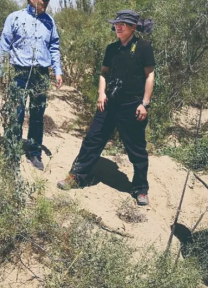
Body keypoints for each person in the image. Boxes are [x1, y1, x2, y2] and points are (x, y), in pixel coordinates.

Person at [57, 10, 155, 206]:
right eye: (117, 23)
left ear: (133, 27)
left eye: (123, 24)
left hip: (132, 105)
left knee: (136, 148)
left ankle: (140, 188)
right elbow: (104, 73)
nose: (118, 26)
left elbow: (150, 75)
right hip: (109, 103)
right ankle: (76, 176)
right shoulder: (112, 49)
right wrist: (101, 93)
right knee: (92, 139)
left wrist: (144, 103)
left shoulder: (143, 47)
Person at [0, 0, 63, 171]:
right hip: (19, 72)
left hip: (41, 74)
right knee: (16, 113)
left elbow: (54, 46)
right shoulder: (15, 18)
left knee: (37, 115)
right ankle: (12, 152)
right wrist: (2, 71)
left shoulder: (49, 21)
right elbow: (4, 46)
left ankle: (34, 153)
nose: (47, 2)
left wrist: (57, 70)